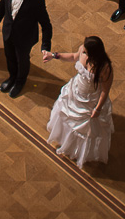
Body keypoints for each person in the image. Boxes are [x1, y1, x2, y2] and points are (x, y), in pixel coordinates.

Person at [43, 36, 114, 167]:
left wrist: (97, 109)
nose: (83, 52)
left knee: (86, 130)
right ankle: (64, 140)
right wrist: (53, 55)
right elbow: (72, 57)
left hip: (91, 100)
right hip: (75, 92)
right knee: (66, 116)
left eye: (86, 51)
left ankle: (79, 151)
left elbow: (105, 91)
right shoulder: (82, 50)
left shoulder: (105, 68)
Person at [0, 0, 53, 99]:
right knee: (9, 57)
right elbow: (2, 5)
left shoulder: (37, 1)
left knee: (22, 61)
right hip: (8, 32)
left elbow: (46, 26)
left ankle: (20, 82)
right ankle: (12, 77)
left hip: (24, 38)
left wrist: (45, 47)